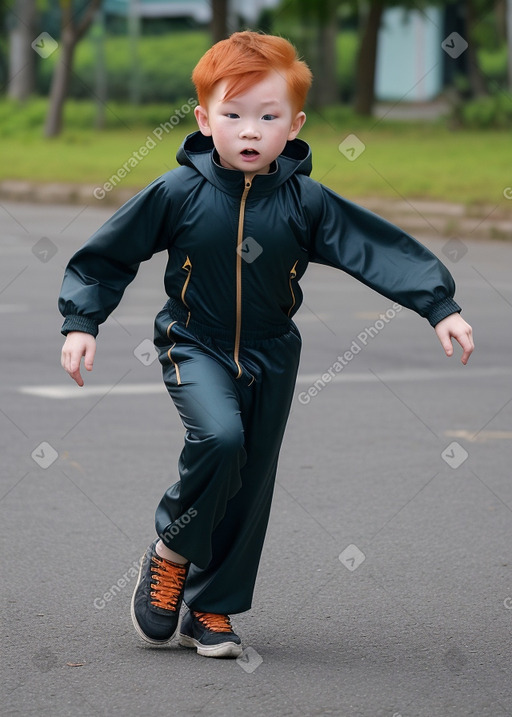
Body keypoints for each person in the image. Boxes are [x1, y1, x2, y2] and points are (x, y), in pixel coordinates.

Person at [59, 31, 474, 659]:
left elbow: (374, 249)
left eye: (268, 116)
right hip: (192, 341)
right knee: (220, 440)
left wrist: (438, 305)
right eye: (233, 115)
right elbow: (107, 256)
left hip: (273, 352)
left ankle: (213, 609)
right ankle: (170, 551)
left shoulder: (306, 201)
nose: (249, 130)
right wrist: (81, 321)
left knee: (251, 479)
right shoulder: (179, 192)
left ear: (294, 125)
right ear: (204, 119)